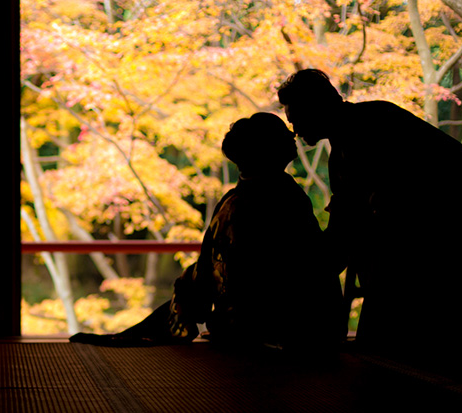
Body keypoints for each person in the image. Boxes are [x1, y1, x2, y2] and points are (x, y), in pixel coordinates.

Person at [275, 69, 462, 351]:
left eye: (297, 119)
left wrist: (305, 275)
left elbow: (355, 222)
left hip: (456, 230)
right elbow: (349, 222)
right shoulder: (364, 128)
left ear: (315, 107)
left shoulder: (368, 130)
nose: (295, 130)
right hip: (447, 224)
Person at [71, 113, 343, 349]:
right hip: (306, 322)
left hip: (254, 323)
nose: (293, 138)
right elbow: (314, 263)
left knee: (194, 279)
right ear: (276, 151)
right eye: (286, 138)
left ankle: (141, 331)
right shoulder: (288, 196)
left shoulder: (235, 202)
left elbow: (213, 269)